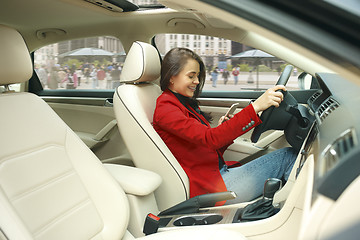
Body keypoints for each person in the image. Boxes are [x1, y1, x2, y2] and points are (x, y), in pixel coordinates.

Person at [153, 48, 297, 205]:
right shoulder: (166, 107)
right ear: (172, 77)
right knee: (289, 156)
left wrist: (224, 129)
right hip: (212, 188)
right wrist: (255, 107)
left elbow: (206, 147)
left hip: (219, 174)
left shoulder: (182, 102)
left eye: (197, 76)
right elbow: (210, 139)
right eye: (191, 76)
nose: (196, 81)